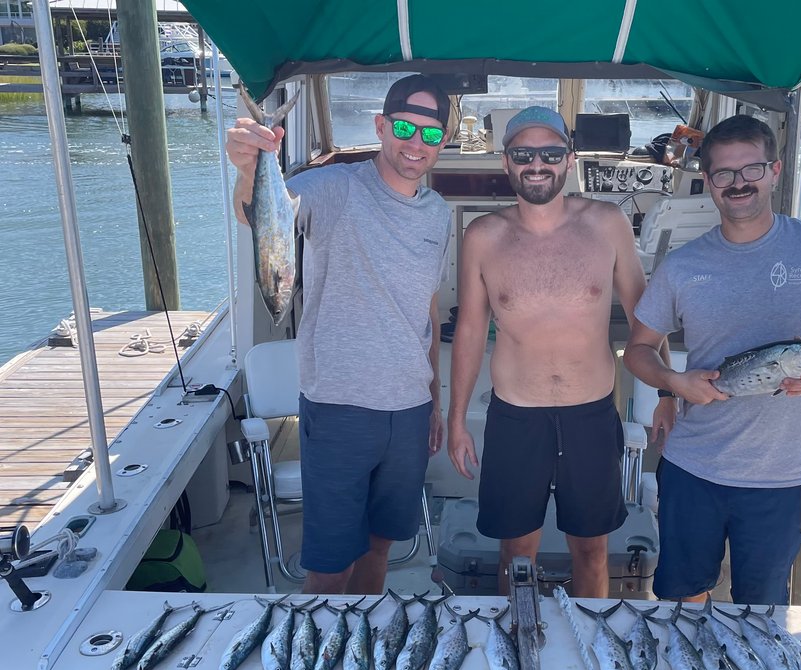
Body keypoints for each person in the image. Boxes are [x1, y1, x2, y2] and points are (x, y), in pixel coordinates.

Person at [624, 113, 801, 606]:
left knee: (761, 610)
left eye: (751, 169)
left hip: (780, 475)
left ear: (775, 171)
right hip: (692, 466)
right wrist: (674, 383)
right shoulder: (683, 265)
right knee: (683, 598)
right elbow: (637, 351)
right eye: (724, 173)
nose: (738, 183)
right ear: (708, 182)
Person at [226, 75, 453, 595]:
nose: (416, 144)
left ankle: (364, 642)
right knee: (330, 566)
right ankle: (321, 662)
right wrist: (249, 169)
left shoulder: (437, 214)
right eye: (404, 127)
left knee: (380, 548)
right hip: (339, 409)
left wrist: (434, 401)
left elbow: (427, 309)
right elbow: (263, 215)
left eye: (431, 135)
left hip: (410, 410)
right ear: (381, 126)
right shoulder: (335, 189)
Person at [447, 106, 648, 598]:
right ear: (506, 163)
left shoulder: (607, 223)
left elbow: (648, 315)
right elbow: (471, 330)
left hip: (592, 414)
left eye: (551, 153)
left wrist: (664, 394)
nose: (537, 164)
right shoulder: (483, 236)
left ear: (570, 159)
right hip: (517, 416)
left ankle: (586, 655)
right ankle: (517, 648)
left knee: (593, 551)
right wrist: (455, 420)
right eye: (523, 154)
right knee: (516, 555)